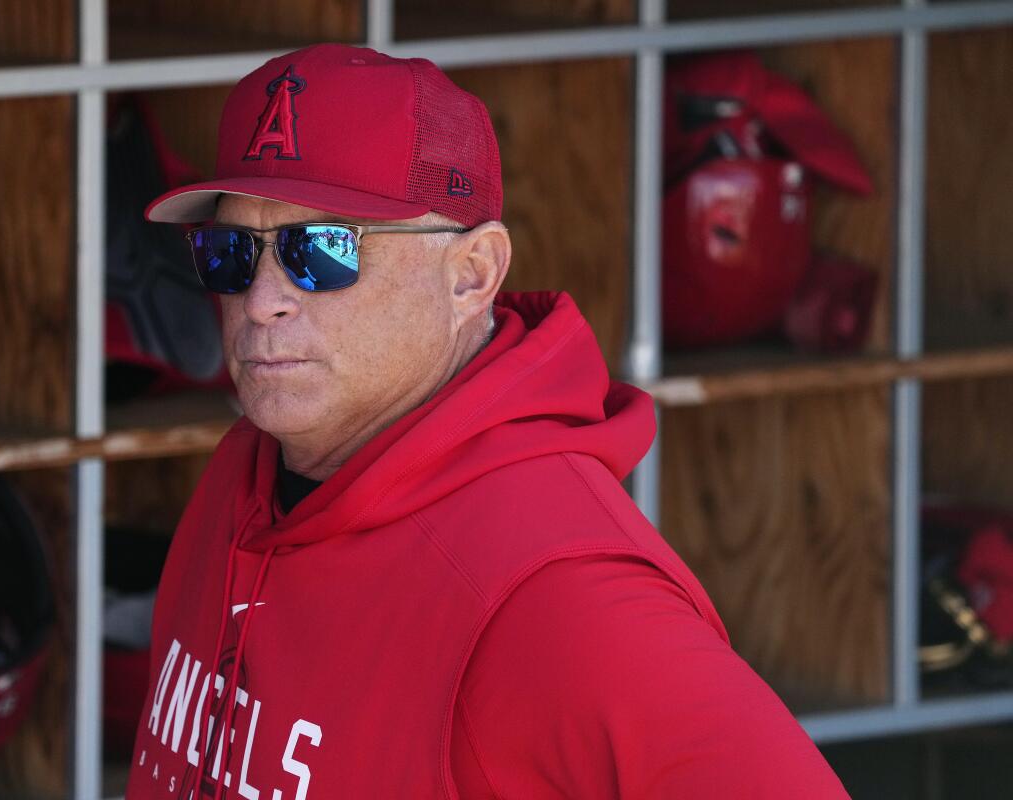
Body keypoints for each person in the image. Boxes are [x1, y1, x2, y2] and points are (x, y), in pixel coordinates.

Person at [126, 43, 850, 799]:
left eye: (323, 250)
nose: (260, 299)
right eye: (231, 251)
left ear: (471, 274)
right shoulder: (243, 474)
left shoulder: (553, 589)